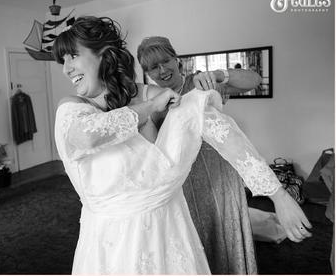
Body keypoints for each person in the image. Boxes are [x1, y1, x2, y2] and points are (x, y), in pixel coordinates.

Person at [52, 16, 311, 274]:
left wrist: (278, 195)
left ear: (104, 55)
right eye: (153, 67)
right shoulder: (73, 107)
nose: (66, 69)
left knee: (224, 243)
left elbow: (223, 129)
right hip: (108, 243)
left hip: (181, 214)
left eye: (72, 56)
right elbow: (82, 138)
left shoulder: (184, 92)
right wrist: (152, 107)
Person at [137, 36, 310, 274]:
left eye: (165, 61)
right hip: (182, 184)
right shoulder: (152, 102)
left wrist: (219, 76)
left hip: (220, 176)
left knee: (226, 234)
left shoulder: (200, 84)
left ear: (176, 59)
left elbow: (255, 80)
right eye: (152, 67)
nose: (162, 70)